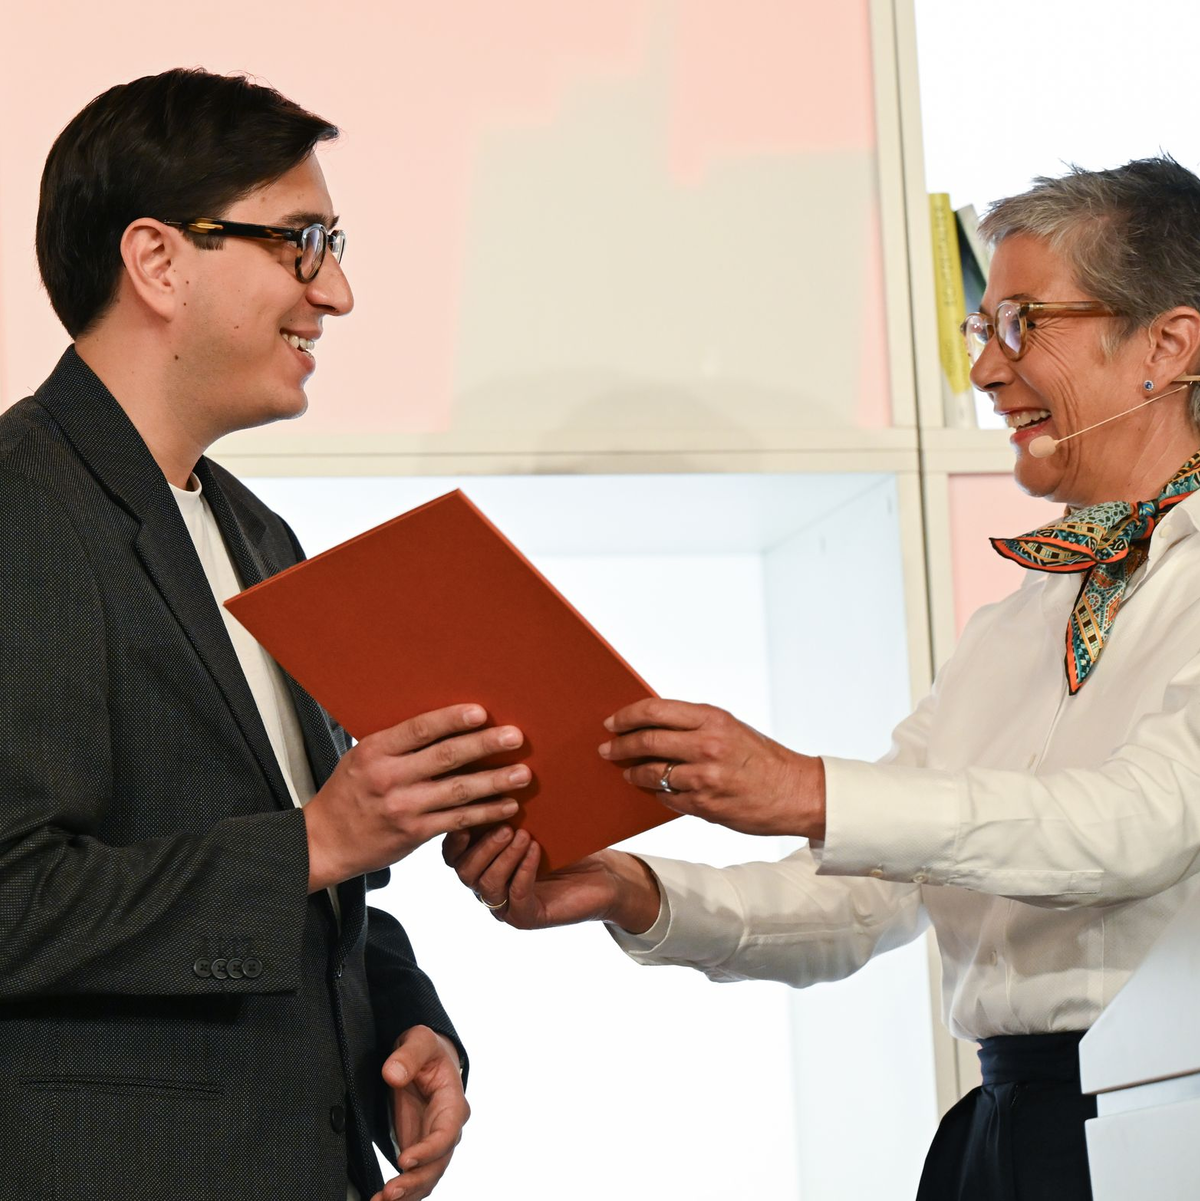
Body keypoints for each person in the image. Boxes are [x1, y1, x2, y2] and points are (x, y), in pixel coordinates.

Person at [444, 155, 1200, 1201]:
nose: (985, 371)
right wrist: (636, 890)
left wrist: (808, 789)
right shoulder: (1012, 627)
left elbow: (1137, 823)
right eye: (983, 330)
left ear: (1167, 343)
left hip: (1161, 1124)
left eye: (1024, 322)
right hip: (1003, 1131)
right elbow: (868, 901)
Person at [0, 68, 531, 1201]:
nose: (333, 291)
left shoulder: (257, 532)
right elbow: (14, 895)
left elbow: (314, 881)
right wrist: (320, 841)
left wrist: (401, 1021)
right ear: (157, 261)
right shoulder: (19, 507)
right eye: (302, 242)